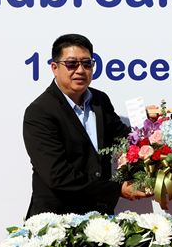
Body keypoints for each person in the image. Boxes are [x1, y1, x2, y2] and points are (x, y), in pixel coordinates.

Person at [23, 34, 148, 218]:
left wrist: (150, 124)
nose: (80, 70)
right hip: (57, 221)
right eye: (72, 64)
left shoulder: (100, 100)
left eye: (87, 63)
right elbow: (58, 175)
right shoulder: (40, 112)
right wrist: (117, 190)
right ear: (55, 68)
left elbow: (126, 140)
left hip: (100, 219)